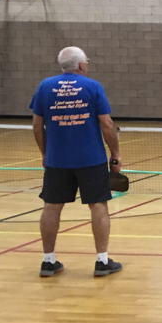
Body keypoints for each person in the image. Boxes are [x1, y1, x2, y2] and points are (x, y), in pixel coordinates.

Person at [30, 46, 123, 278]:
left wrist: (44, 153)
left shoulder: (45, 86)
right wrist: (115, 154)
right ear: (81, 65)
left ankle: (48, 261)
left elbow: (36, 126)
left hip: (56, 160)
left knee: (51, 206)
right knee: (98, 205)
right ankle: (102, 261)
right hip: (90, 159)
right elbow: (107, 124)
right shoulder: (92, 86)